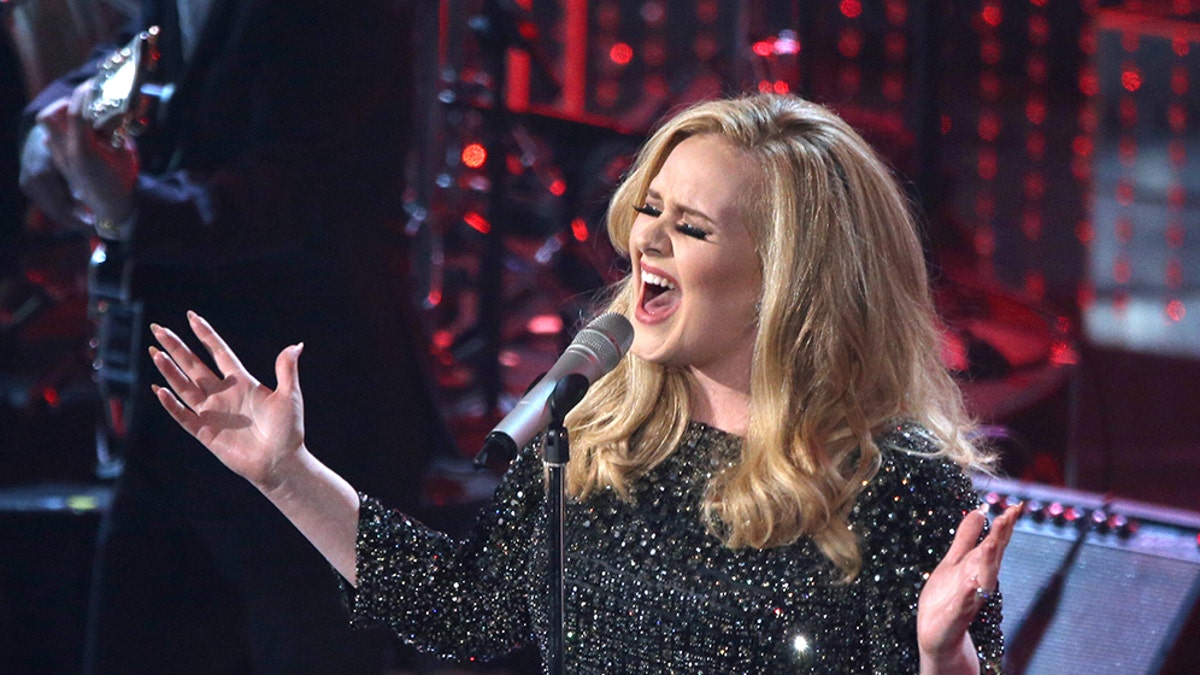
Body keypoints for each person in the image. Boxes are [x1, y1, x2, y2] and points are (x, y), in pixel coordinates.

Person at [147, 93, 1021, 673]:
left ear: (784, 278)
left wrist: (943, 662)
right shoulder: (599, 431)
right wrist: (287, 473)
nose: (647, 240)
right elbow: (468, 610)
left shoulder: (898, 480)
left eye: (691, 226)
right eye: (648, 208)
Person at [18, 1, 456, 672]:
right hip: (183, 410)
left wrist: (135, 208)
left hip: (311, 403)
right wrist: (50, 129)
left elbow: (307, 183)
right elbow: (132, 51)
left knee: (308, 642)